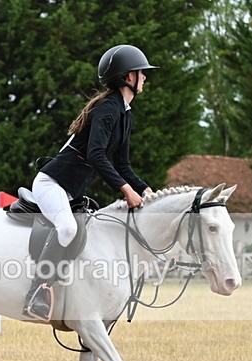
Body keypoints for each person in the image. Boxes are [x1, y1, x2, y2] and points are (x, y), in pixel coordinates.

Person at [23, 44, 157, 321]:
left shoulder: (124, 113)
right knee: (67, 228)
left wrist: (143, 188)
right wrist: (126, 190)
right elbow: (96, 155)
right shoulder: (107, 110)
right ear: (128, 77)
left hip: (71, 191)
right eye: (141, 73)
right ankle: (37, 292)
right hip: (51, 183)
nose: (145, 77)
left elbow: (122, 164)